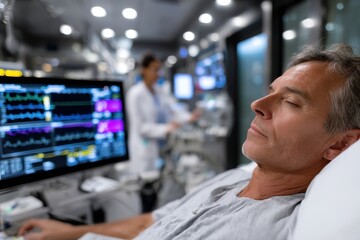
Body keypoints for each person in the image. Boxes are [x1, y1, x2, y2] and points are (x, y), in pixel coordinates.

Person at [18, 43, 360, 240]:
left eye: (291, 102)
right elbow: (149, 223)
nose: (257, 105)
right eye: (271, 92)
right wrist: (71, 232)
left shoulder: (263, 228)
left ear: (340, 145)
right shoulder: (234, 178)